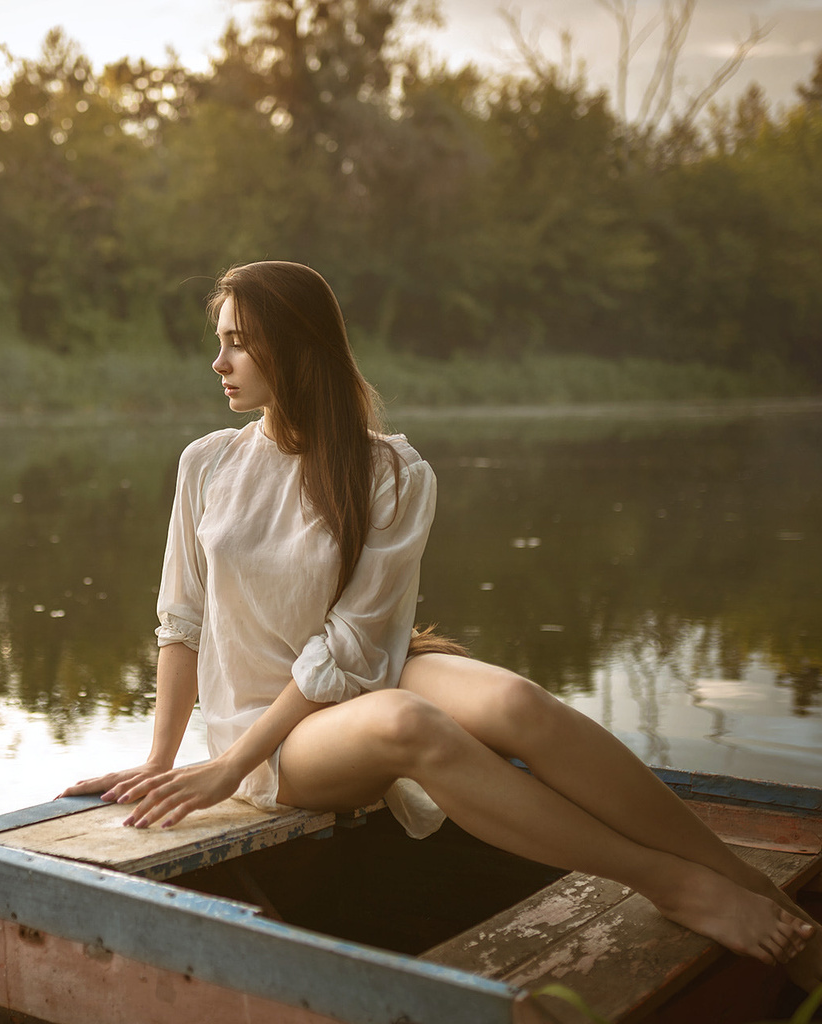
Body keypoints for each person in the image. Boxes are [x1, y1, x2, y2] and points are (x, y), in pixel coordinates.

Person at [60, 260, 820, 982]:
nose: (219, 363)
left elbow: (353, 644)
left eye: (237, 342)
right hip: (267, 732)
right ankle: (671, 882)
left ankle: (746, 879)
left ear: (293, 346)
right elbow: (181, 624)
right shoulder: (208, 464)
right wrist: (179, 759)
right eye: (218, 342)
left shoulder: (388, 470)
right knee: (409, 724)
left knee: (517, 702)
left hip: (357, 678)